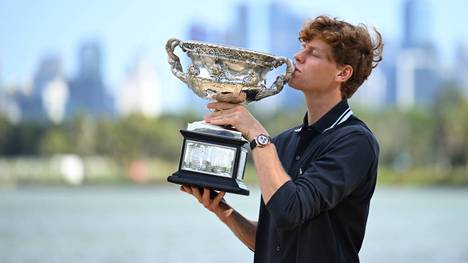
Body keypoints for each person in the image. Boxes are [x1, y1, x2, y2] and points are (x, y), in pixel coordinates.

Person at [180, 15, 383, 263]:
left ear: (342, 73)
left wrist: (256, 133)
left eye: (314, 53)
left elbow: (290, 210)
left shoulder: (356, 142)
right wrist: (225, 212)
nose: (298, 56)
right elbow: (270, 242)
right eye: (302, 48)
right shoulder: (284, 142)